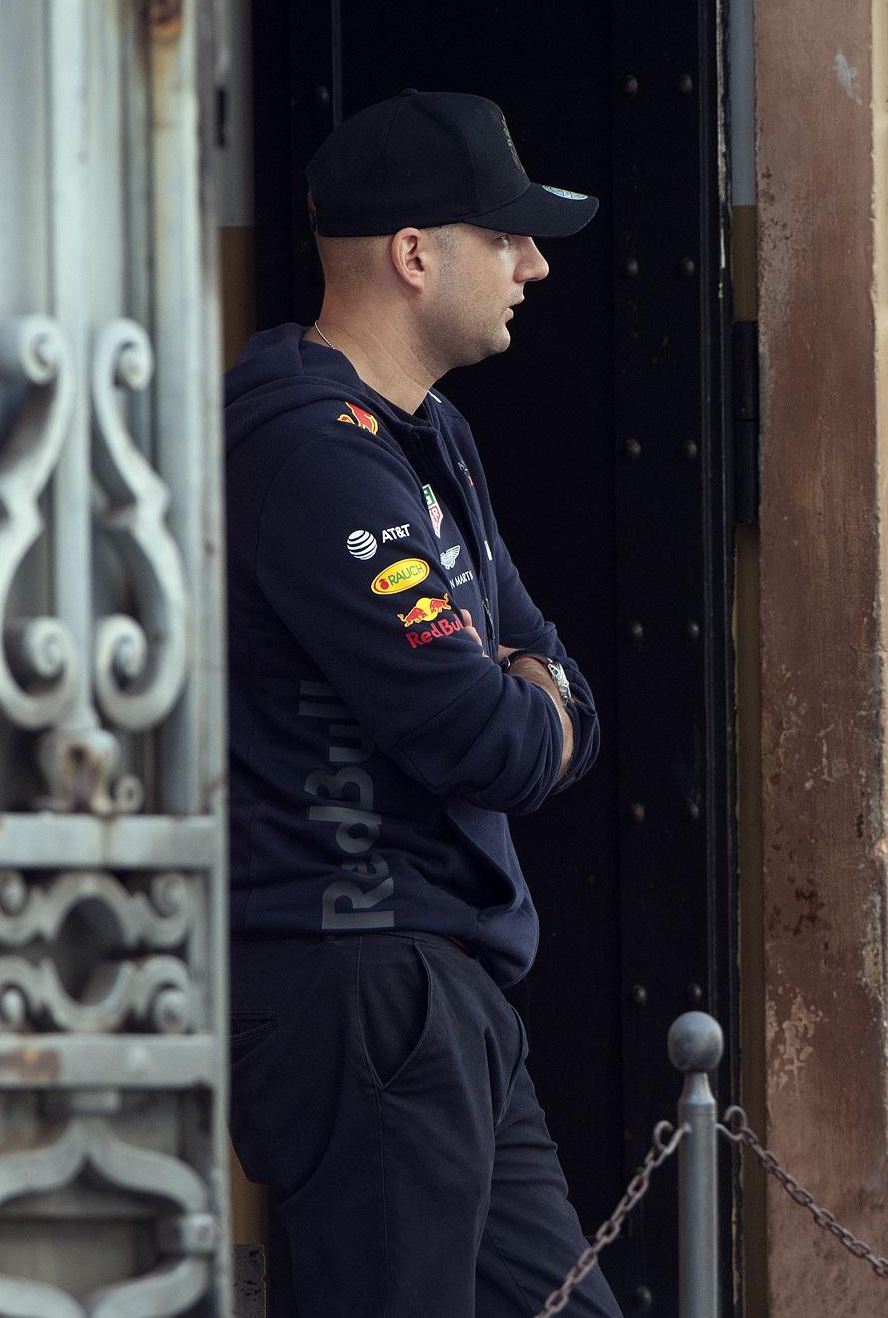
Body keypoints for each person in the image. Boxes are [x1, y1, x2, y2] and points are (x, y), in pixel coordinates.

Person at [223, 90, 620, 1317]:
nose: (535, 265)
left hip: (441, 990)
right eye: (506, 237)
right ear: (413, 256)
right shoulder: (312, 445)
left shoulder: (425, 435)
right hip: (358, 981)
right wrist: (524, 700)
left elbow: (564, 693)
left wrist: (530, 697)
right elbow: (480, 731)